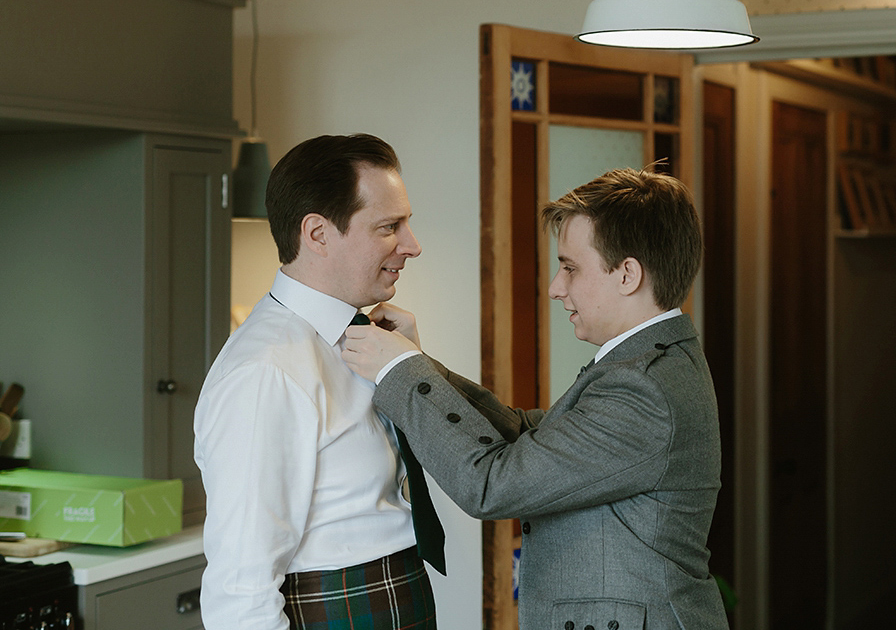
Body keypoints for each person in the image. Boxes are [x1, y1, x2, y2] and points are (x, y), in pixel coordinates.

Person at [343, 167, 729, 630]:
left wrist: (397, 372)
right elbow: (531, 436)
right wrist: (419, 363)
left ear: (627, 274)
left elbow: (493, 483)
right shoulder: (653, 365)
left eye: (569, 267)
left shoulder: (643, 388)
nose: (554, 288)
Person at [194, 134, 441, 630]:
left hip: (392, 597)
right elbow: (240, 589)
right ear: (318, 233)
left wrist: (413, 368)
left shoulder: (367, 340)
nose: (412, 246)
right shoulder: (265, 370)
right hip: (336, 610)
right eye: (389, 227)